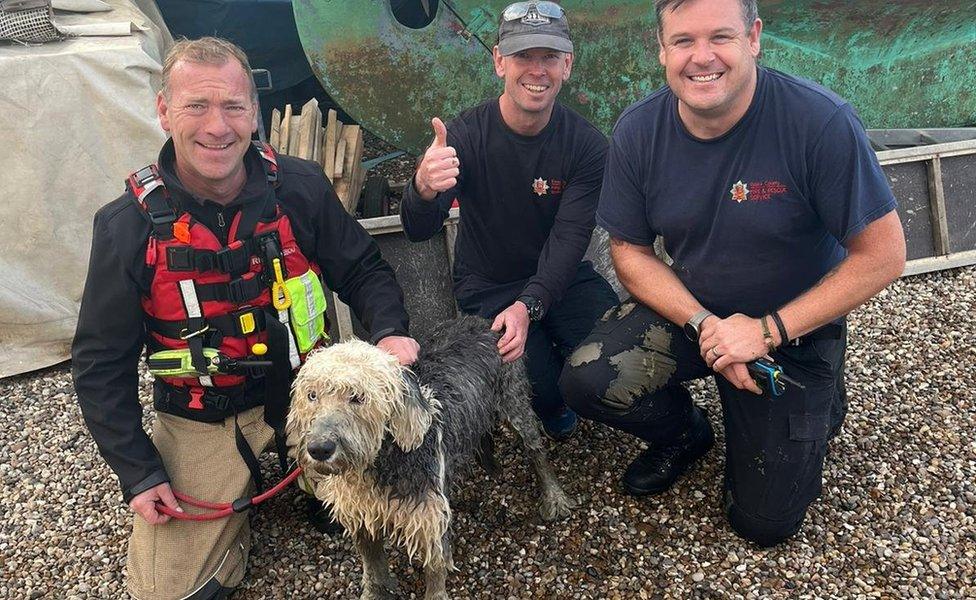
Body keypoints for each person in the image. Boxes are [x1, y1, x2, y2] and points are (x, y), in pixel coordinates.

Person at [71, 37, 419, 599]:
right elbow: (98, 365)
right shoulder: (125, 227)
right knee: (171, 593)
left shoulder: (301, 187)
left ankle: (298, 477)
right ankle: (235, 506)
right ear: (164, 111)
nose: (218, 126)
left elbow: (365, 270)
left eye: (233, 106)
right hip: (203, 413)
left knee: (393, 494)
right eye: (196, 106)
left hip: (310, 400)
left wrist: (391, 332)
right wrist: (138, 472)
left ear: (254, 112)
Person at [559, 0, 906, 547]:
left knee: (762, 525)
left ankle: (819, 395)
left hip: (794, 327)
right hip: (697, 312)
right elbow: (630, 251)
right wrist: (708, 327)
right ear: (661, 50)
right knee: (586, 379)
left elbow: (883, 255)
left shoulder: (819, 122)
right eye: (683, 41)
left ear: (754, 38)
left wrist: (764, 331)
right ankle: (686, 433)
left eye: (720, 37)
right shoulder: (638, 130)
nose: (702, 58)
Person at [400, 1, 618, 440]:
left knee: (615, 355)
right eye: (523, 56)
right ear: (499, 60)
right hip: (489, 284)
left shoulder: (588, 146)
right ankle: (553, 408)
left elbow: (571, 237)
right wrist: (422, 187)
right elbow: (418, 229)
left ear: (567, 65)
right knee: (541, 386)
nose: (536, 70)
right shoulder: (463, 135)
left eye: (549, 57)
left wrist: (530, 305)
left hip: (562, 276)